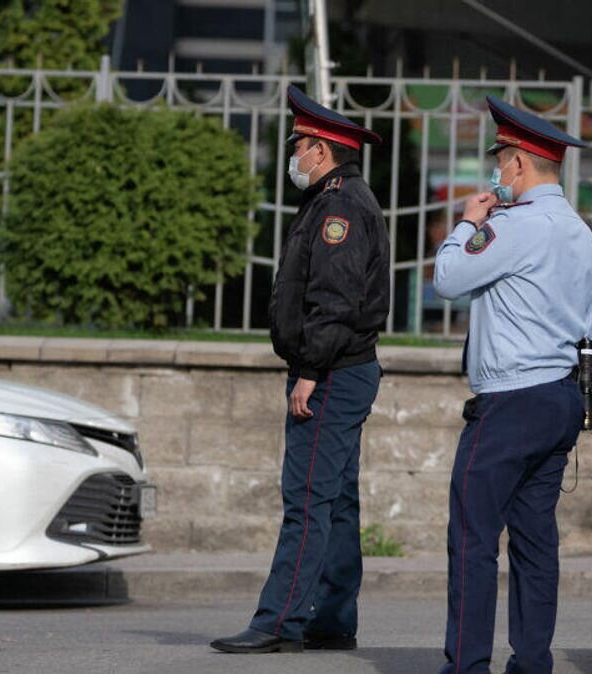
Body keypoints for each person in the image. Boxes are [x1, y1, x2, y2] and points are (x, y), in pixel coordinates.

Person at [210, 85, 390, 655]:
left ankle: (278, 622)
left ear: (320, 150)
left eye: (300, 147)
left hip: (331, 371)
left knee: (308, 497)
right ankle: (333, 619)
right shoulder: (339, 200)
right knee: (335, 500)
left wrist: (310, 369)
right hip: (344, 368)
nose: (295, 157)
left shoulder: (338, 206)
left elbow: (335, 299)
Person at [432, 96, 592, 674]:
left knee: (473, 539)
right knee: (534, 541)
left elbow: (449, 279)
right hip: (559, 395)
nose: (496, 171)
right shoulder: (579, 231)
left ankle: (467, 665)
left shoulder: (514, 226)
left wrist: (466, 224)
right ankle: (532, 663)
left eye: (501, 159)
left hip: (510, 401)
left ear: (521, 163)